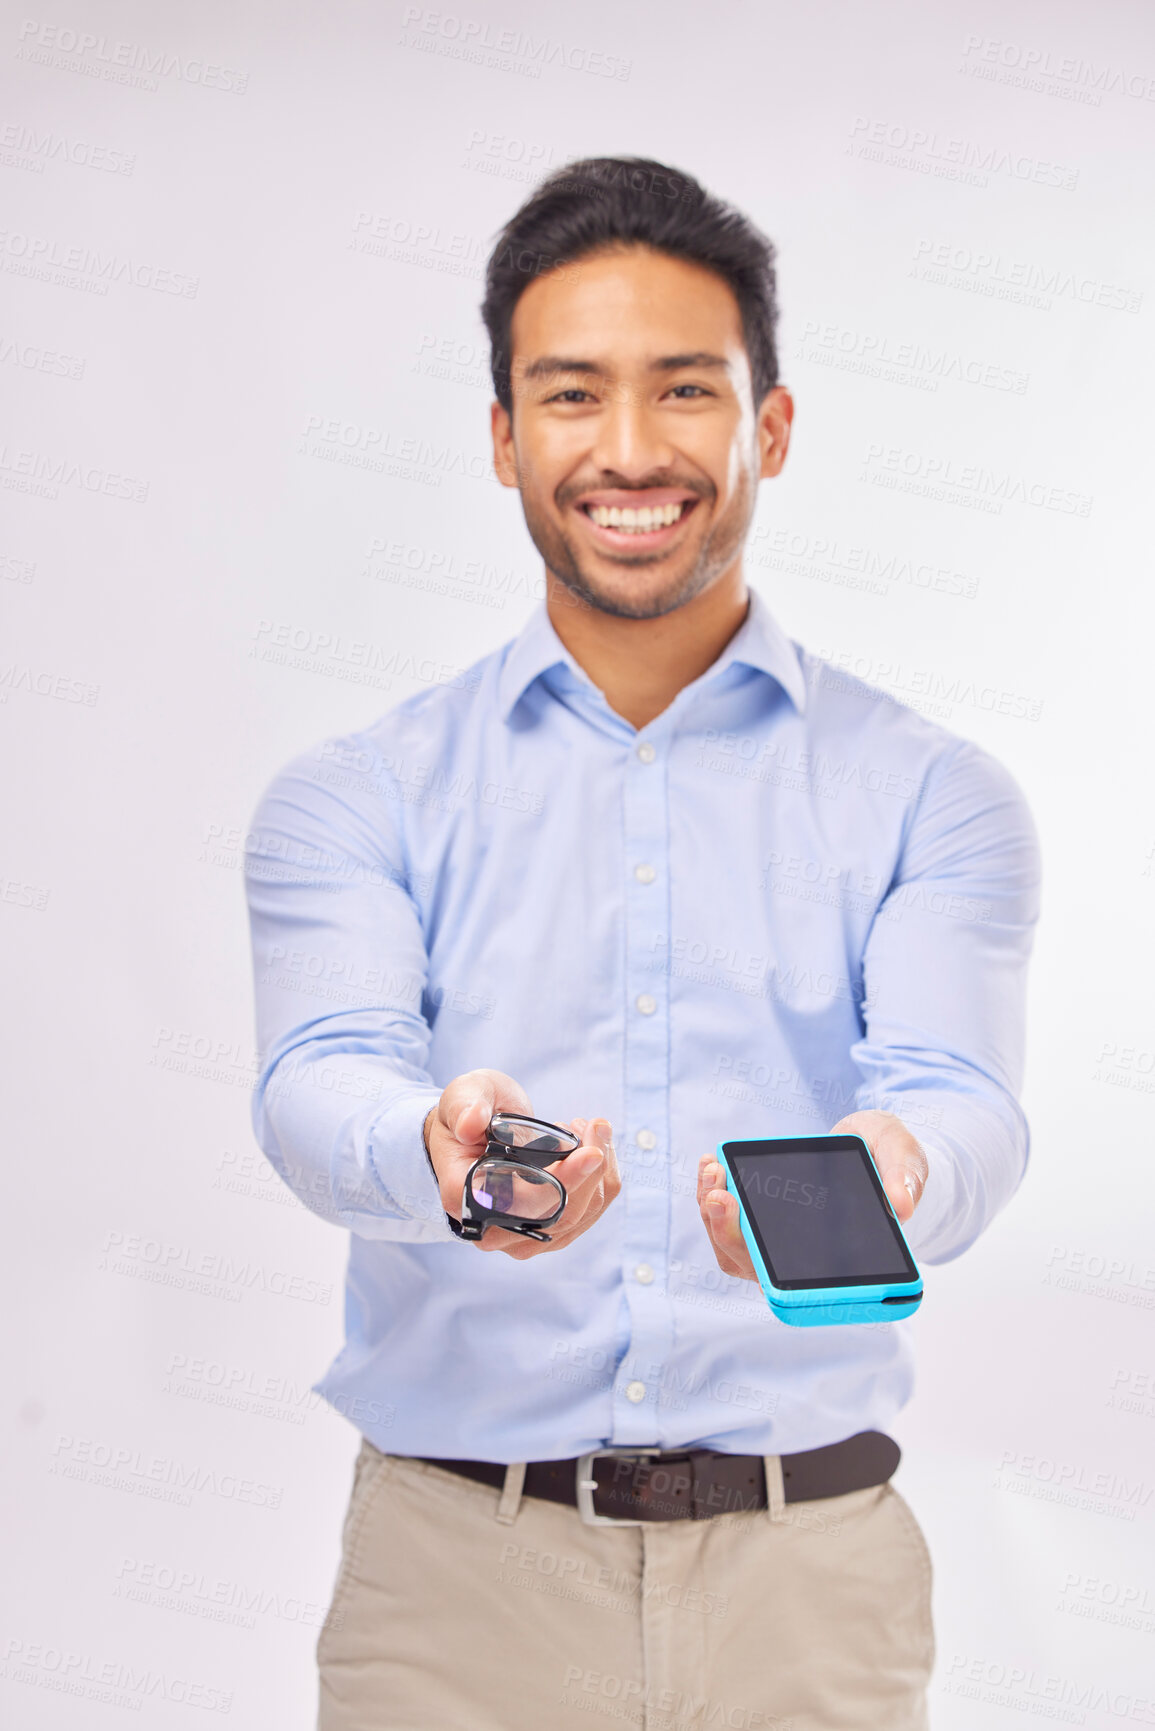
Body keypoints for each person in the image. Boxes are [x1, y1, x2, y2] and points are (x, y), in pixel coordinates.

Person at [244, 156, 1041, 1731]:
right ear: (502, 438)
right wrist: (438, 1154)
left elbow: (964, 1098)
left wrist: (891, 1176)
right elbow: (317, 1081)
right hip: (454, 1577)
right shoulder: (352, 797)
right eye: (569, 396)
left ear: (773, 426)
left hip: (811, 1581)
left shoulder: (937, 796)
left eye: (685, 390)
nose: (629, 452)